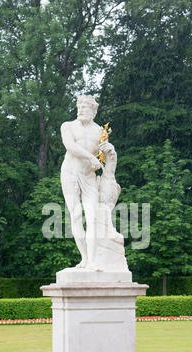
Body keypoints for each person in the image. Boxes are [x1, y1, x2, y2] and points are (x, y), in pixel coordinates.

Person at [60, 95, 114, 270]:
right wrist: (91, 156)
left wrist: (111, 151)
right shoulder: (68, 126)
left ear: (94, 111)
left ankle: (92, 261)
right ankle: (84, 259)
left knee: (92, 217)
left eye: (85, 107)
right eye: (79, 106)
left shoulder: (100, 132)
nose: (81, 109)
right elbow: (70, 146)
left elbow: (107, 159)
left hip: (89, 176)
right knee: (76, 216)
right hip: (70, 173)